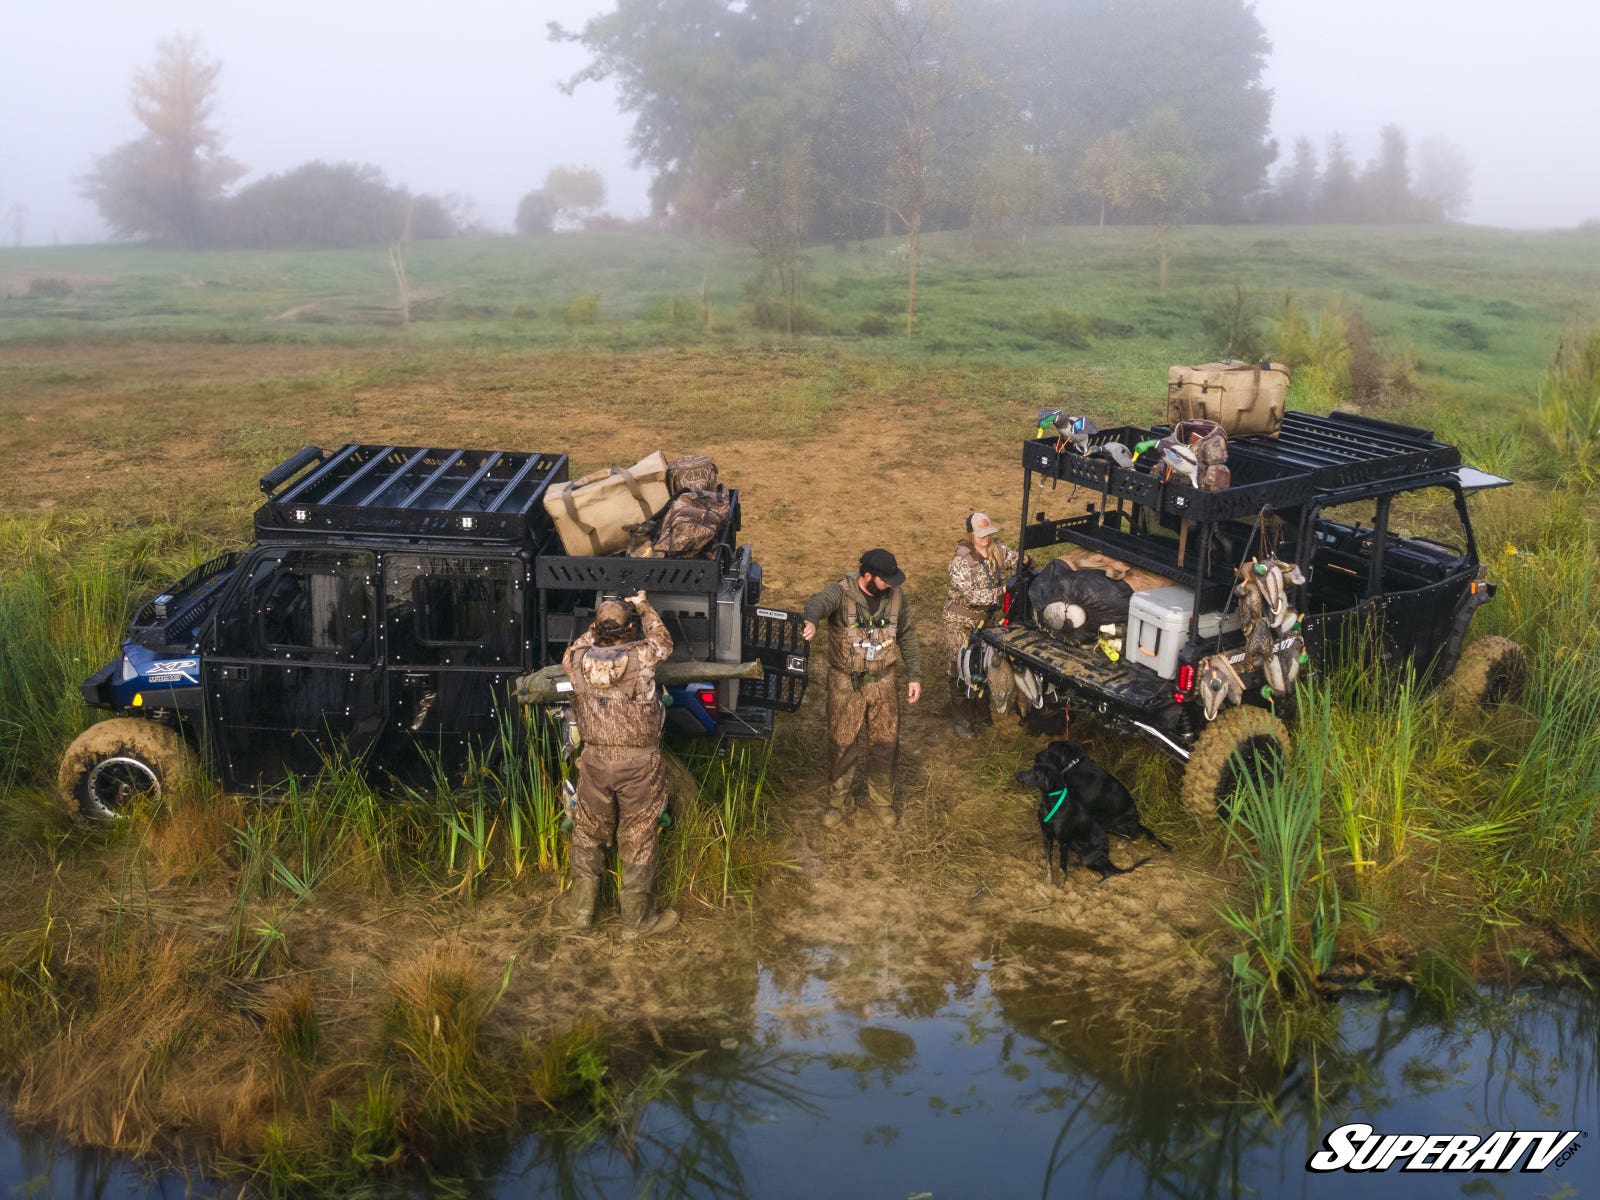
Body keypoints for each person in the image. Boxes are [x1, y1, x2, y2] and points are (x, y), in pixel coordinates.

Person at [557, 591, 679, 940]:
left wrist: (601, 621)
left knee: (587, 833)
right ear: (630, 629)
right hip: (639, 765)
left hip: (594, 762)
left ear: (597, 628)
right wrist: (642, 605)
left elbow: (586, 639)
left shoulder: (575, 658)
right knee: (638, 837)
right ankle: (636, 922)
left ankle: (580, 911)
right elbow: (663, 639)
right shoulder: (642, 656)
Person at [801, 548, 922, 829]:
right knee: (842, 744)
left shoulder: (896, 598)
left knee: (885, 745)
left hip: (885, 682)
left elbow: (908, 635)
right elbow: (817, 602)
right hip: (846, 683)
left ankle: (882, 802)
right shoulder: (840, 594)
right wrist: (810, 620)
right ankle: (839, 803)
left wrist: (915, 675)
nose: (892, 585)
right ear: (867, 576)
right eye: (886, 580)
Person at [943, 512, 1020, 738]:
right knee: (960, 669)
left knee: (984, 666)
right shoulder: (960, 562)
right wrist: (1004, 590)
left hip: (987, 621)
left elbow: (1016, 559)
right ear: (971, 534)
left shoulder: (997, 550)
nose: (985, 538)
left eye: (988, 533)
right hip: (960, 622)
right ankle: (962, 720)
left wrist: (1023, 563)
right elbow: (973, 596)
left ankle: (982, 714)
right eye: (981, 534)